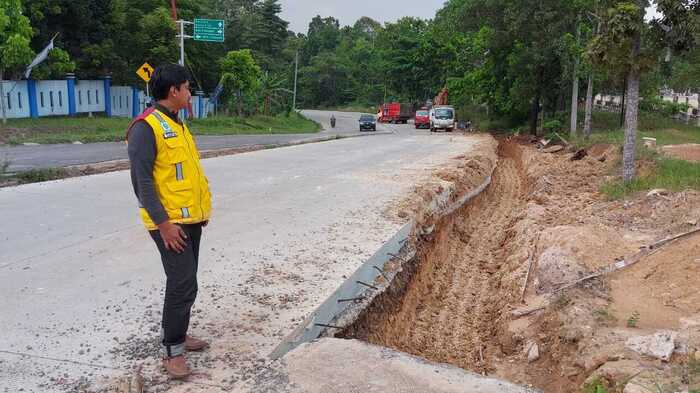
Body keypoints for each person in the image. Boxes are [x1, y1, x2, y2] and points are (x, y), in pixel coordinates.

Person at [126, 64, 212, 379]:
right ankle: (172, 350)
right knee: (182, 282)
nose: (190, 94)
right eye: (187, 88)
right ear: (173, 91)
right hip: (169, 224)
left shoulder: (177, 124)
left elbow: (184, 175)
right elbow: (143, 183)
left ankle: (180, 333)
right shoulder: (145, 127)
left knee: (188, 282)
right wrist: (164, 224)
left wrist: (198, 213)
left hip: (189, 221)